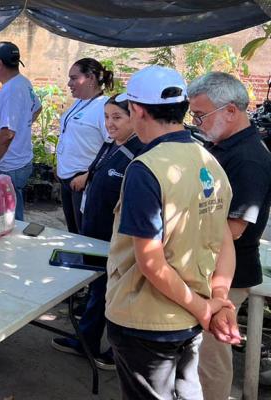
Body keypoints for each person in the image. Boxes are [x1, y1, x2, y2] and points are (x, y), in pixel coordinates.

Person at [104, 65, 238, 399]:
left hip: (145, 321)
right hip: (190, 319)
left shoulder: (145, 169)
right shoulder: (210, 162)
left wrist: (205, 309)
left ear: (137, 110)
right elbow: (224, 243)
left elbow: (150, 262)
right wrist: (215, 301)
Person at [189, 72, 271, 400]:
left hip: (228, 273)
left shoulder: (249, 157)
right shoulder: (223, 145)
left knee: (210, 355)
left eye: (200, 114)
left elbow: (233, 230)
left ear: (231, 111)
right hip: (211, 267)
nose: (196, 122)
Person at [51, 95, 144, 370]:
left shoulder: (140, 153)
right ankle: (87, 341)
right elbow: (98, 170)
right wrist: (87, 176)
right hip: (94, 231)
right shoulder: (110, 145)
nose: (109, 124)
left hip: (115, 238)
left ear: (135, 118)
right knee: (98, 288)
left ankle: (118, 354)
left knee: (116, 293)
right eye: (107, 117)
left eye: (117, 117)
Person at [0, 41, 42, 221]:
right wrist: (24, 126)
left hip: (9, 165)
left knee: (8, 218)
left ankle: (14, 247)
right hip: (16, 161)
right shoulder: (22, 82)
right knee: (12, 209)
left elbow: (7, 133)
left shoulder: (12, 90)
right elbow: (37, 108)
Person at [56, 58, 113, 233]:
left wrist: (88, 175)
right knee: (73, 233)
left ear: (91, 78)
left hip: (83, 182)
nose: (69, 83)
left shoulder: (104, 107)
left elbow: (113, 147)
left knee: (84, 235)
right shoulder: (80, 102)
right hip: (67, 179)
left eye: (74, 78)